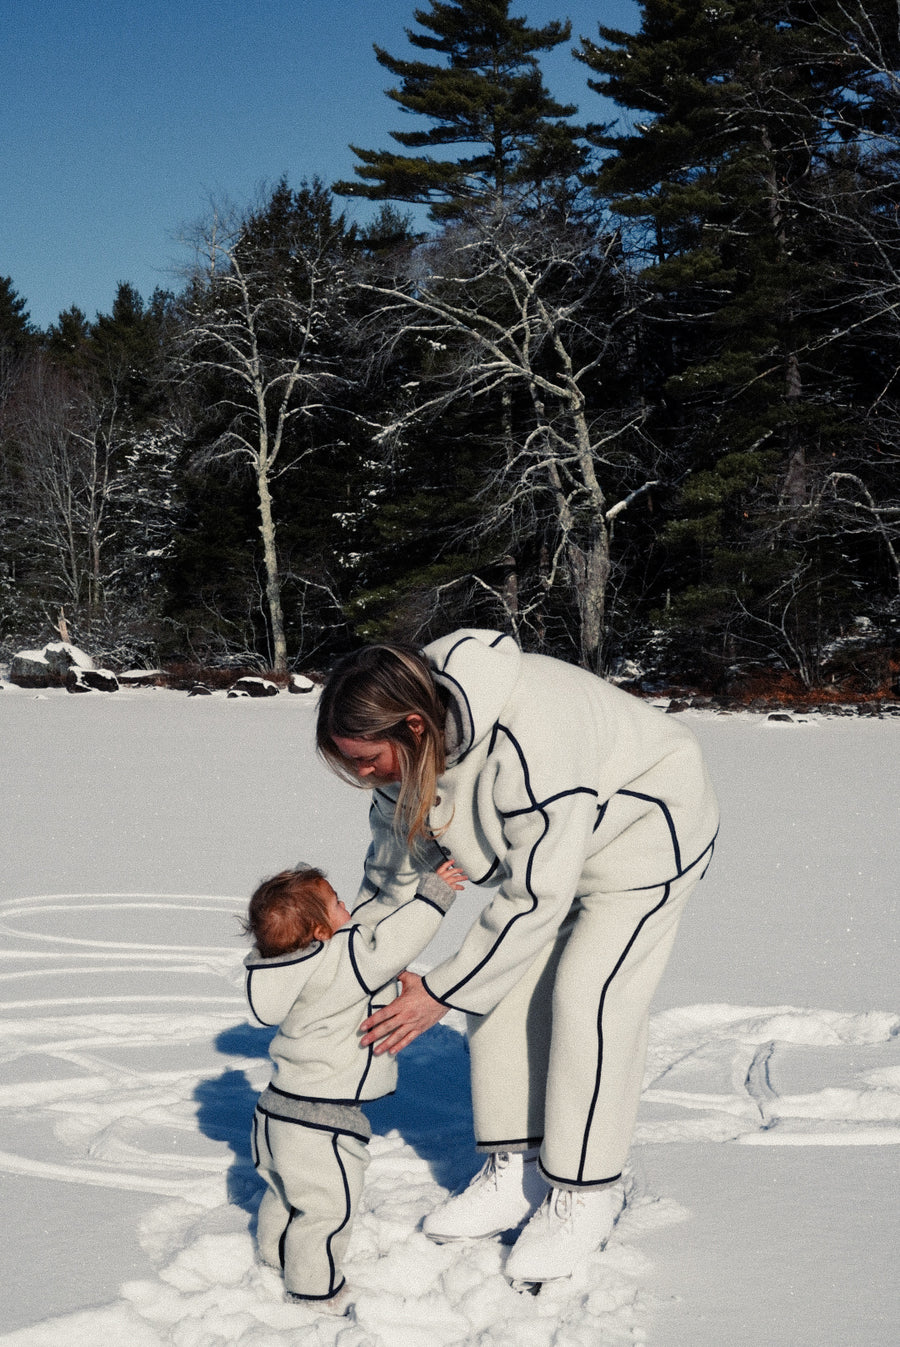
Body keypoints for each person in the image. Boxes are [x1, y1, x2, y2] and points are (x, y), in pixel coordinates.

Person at [316, 628, 719, 1283]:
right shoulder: (404, 752)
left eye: (368, 760)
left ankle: (584, 1194)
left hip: (648, 828)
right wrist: (351, 965)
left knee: (589, 994)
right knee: (499, 984)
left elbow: (538, 897)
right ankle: (519, 1169)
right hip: (554, 849)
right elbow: (391, 874)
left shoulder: (531, 735)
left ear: (414, 726)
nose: (364, 775)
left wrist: (439, 990)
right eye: (351, 761)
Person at [243, 857, 465, 1312]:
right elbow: (391, 945)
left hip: (276, 1111)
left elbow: (360, 943)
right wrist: (433, 896)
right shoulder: (342, 961)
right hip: (322, 1119)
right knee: (329, 1207)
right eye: (337, 902)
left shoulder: (292, 968)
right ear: (320, 932)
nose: (348, 905)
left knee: (285, 1191)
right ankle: (314, 1289)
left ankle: (273, 1256)